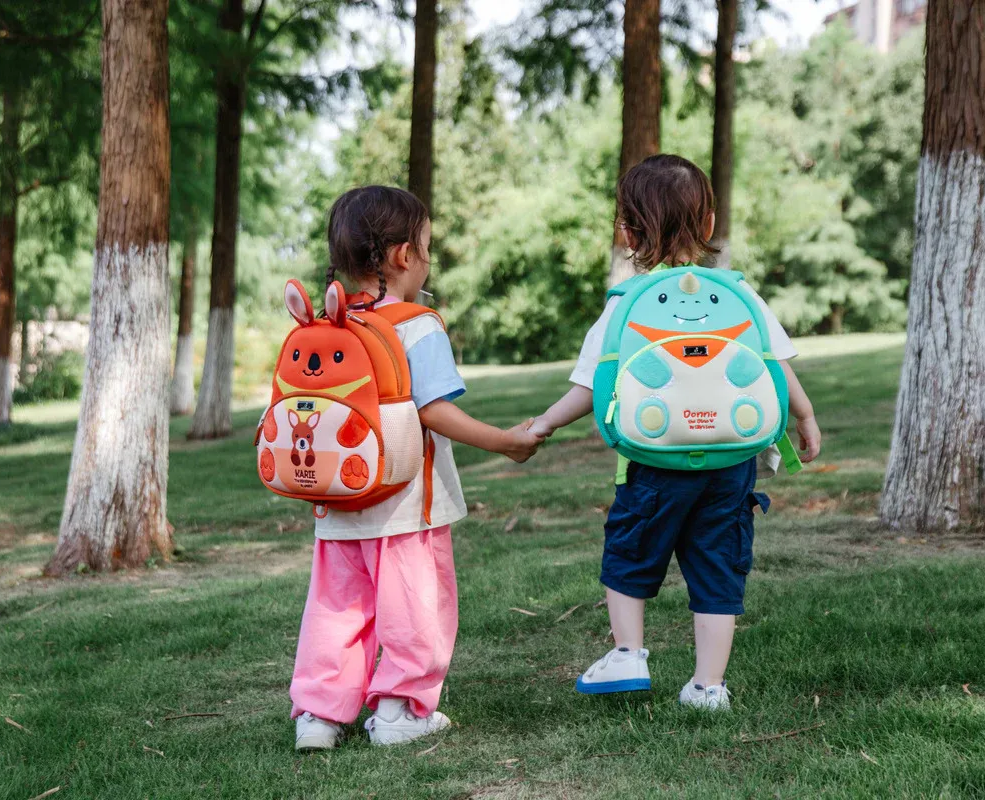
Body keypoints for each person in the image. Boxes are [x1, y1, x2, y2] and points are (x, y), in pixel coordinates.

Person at [529, 154, 822, 710]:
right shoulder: (737, 295)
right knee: (718, 564)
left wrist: (544, 423)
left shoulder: (626, 306)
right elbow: (775, 366)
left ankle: (629, 654)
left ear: (629, 230)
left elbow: (592, 385)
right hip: (730, 465)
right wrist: (803, 418)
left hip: (651, 465)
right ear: (708, 223)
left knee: (630, 553)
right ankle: (708, 686)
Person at [291, 186, 543, 749]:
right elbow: (435, 411)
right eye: (428, 246)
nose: (429, 256)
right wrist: (506, 442)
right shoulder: (415, 324)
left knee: (336, 609)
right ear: (404, 256)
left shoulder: (327, 325)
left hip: (336, 501)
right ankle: (402, 709)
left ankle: (320, 714)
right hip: (407, 507)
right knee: (414, 607)